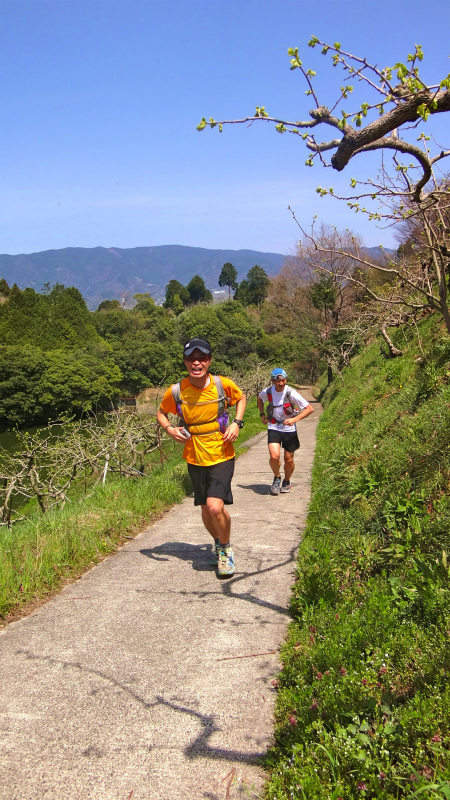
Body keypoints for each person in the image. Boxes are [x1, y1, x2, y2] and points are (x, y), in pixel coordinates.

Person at [157, 338, 246, 576]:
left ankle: (226, 549)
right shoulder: (176, 390)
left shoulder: (221, 384)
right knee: (205, 509)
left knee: (215, 507)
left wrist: (237, 423)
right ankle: (217, 543)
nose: (197, 363)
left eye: (202, 358)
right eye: (191, 359)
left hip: (221, 452)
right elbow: (161, 413)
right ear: (185, 361)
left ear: (209, 360)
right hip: (194, 455)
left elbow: (241, 398)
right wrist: (170, 429)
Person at [257, 368, 314, 495]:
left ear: (286, 379)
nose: (281, 383)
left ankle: (287, 481)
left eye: (283, 380)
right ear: (272, 381)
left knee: (288, 459)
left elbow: (309, 409)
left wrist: (295, 419)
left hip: (289, 430)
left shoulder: (291, 393)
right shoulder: (268, 392)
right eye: (278, 381)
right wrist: (262, 414)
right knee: (274, 456)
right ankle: (277, 477)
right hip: (273, 427)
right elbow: (260, 398)